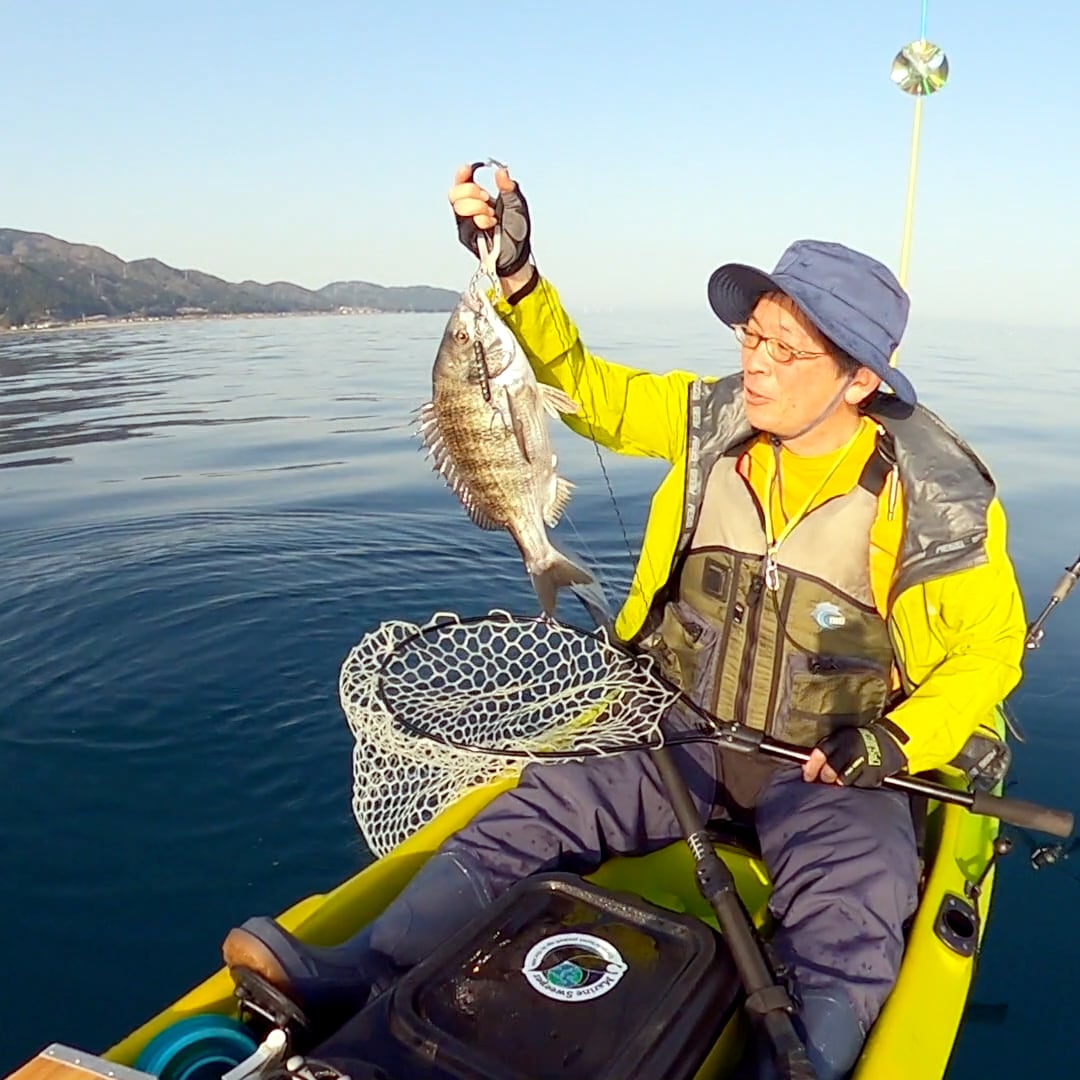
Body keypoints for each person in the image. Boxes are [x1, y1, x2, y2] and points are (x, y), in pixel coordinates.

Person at [221, 165, 1028, 1078]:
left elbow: (987, 651)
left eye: (788, 350)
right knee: (539, 806)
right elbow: (585, 389)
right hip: (678, 727)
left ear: (860, 379)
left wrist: (894, 742)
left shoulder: (934, 496)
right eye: (751, 336)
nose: (756, 363)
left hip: (828, 761)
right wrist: (517, 276)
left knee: (856, 906)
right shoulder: (711, 420)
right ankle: (360, 973)